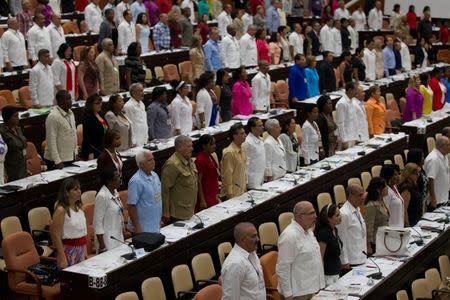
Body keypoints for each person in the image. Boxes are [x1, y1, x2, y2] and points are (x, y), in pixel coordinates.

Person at [277, 201, 325, 299]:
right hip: (298, 294)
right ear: (300, 217)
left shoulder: (308, 231)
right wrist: (288, 294)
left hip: (311, 289)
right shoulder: (289, 236)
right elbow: (282, 268)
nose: (315, 216)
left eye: (315, 212)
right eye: (311, 213)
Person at [221, 222, 266, 300]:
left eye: (257, 235)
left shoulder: (252, 252)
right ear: (242, 240)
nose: (258, 239)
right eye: (253, 236)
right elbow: (230, 298)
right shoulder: (235, 264)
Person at [51, 178, 86, 268]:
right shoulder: (61, 210)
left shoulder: (80, 207)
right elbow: (55, 235)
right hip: (68, 249)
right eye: (75, 189)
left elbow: (83, 230)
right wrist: (62, 257)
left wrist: (84, 250)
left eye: (79, 189)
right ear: (66, 193)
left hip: (81, 248)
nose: (79, 191)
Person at [161, 135, 197, 222]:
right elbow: (165, 189)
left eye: (191, 146)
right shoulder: (172, 164)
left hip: (189, 208)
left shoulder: (189, 160)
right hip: (178, 213)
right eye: (189, 146)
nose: (192, 149)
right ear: (180, 148)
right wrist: (166, 211)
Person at [128, 149, 162, 232]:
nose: (153, 162)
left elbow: (157, 198)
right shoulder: (136, 181)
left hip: (155, 225)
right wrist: (136, 226)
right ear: (141, 165)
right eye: (150, 160)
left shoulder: (155, 175)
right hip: (143, 228)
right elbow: (131, 206)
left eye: (153, 159)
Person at [93, 165, 124, 252]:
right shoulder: (101, 196)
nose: (120, 179)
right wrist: (102, 246)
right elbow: (97, 223)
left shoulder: (115, 191)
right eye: (117, 177)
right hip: (107, 240)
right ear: (109, 181)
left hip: (118, 236)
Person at [336, 184, 367, 268]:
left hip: (361, 257)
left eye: (363, 194)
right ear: (351, 196)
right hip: (351, 261)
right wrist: (344, 261)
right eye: (360, 195)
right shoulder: (344, 214)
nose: (363, 197)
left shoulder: (357, 209)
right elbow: (341, 239)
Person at [44, 90, 76, 169]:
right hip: (57, 161)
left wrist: (75, 153)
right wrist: (57, 161)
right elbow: (51, 141)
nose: (71, 101)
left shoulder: (71, 113)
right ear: (61, 101)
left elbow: (73, 133)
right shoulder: (53, 117)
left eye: (70, 99)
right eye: (68, 99)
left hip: (69, 157)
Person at [315, 203, 342, 286]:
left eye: (340, 214)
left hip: (336, 271)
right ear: (328, 218)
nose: (340, 217)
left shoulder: (335, 229)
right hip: (328, 276)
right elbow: (320, 257)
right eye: (337, 215)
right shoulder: (324, 233)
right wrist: (321, 280)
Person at [363, 177, 389, 255]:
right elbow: (368, 227)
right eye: (385, 186)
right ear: (378, 190)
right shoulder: (371, 205)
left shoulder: (381, 201)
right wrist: (368, 246)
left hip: (384, 239)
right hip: (375, 243)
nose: (387, 188)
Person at [0, 107, 26, 181]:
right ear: (8, 118)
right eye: (15, 116)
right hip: (11, 168)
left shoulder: (18, 129)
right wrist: (4, 174)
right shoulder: (2, 132)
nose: (18, 118)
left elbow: (23, 144)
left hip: (22, 165)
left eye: (18, 116)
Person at [221, 123, 247, 199]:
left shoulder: (242, 148)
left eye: (244, 133)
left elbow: (243, 170)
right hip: (233, 194)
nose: (245, 135)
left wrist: (245, 187)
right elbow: (227, 176)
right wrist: (230, 194)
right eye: (242, 133)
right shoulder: (229, 152)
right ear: (234, 136)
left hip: (241, 190)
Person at [424, 136, 450, 209]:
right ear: (441, 146)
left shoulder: (444, 156)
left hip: (444, 198)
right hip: (436, 201)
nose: (449, 147)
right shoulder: (433, 159)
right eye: (448, 145)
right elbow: (430, 180)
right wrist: (433, 199)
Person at [195, 134, 219, 210]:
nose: (214, 146)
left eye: (214, 143)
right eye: (211, 144)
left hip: (213, 193)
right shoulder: (200, 160)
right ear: (204, 146)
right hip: (206, 195)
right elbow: (198, 181)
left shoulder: (210, 156)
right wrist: (202, 200)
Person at [81, 94, 108, 160]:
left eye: (101, 102)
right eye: (97, 103)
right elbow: (86, 137)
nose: (100, 104)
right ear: (90, 105)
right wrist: (90, 152)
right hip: (94, 150)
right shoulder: (87, 117)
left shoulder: (100, 114)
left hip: (103, 148)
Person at [243, 117, 266, 189]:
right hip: (252, 180)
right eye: (259, 126)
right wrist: (246, 181)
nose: (263, 127)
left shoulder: (260, 139)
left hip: (260, 177)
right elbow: (246, 163)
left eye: (262, 125)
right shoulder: (248, 142)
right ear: (252, 128)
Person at [335, 82, 358, 149]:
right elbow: (340, 123)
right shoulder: (342, 103)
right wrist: (344, 140)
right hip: (346, 138)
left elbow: (354, 120)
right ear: (350, 90)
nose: (356, 92)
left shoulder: (352, 101)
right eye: (355, 90)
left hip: (352, 135)